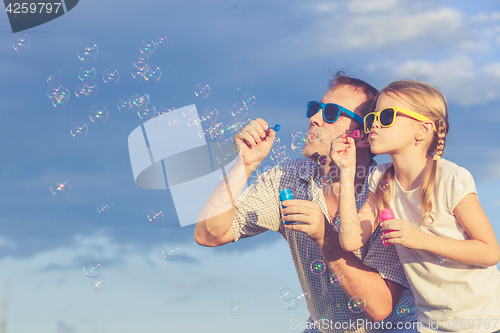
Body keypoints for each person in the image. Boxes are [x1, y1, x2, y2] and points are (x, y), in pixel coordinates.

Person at [195, 71, 418, 333]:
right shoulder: (286, 178)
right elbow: (209, 234)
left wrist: (326, 237)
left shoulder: (388, 189)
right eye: (315, 108)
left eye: (331, 113)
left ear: (365, 135)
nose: (314, 118)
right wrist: (244, 165)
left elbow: (380, 307)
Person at [332, 79, 500, 333]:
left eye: (386, 116)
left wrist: (420, 239)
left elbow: (489, 252)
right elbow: (351, 239)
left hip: (482, 320)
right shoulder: (381, 179)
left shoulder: (450, 179)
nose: (375, 123)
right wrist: (346, 172)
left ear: (423, 130)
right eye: (372, 117)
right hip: (432, 325)